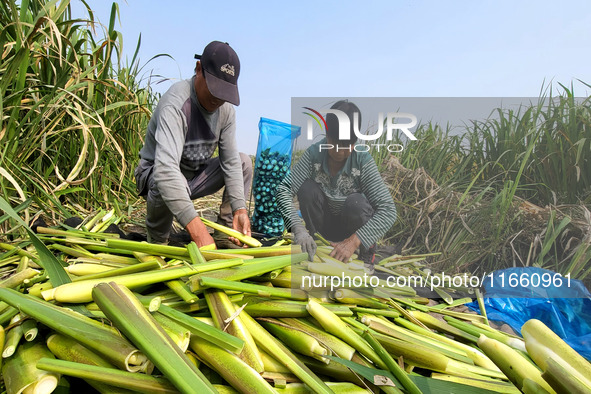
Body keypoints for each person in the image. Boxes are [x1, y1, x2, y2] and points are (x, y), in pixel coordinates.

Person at [134, 41, 252, 248]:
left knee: (243, 162)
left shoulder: (226, 112)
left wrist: (240, 209)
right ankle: (158, 240)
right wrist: (198, 232)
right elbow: (165, 171)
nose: (218, 99)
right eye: (215, 89)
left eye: (224, 93)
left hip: (193, 178)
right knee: (168, 177)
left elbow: (231, 162)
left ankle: (227, 234)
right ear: (199, 69)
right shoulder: (177, 103)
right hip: (157, 176)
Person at [277, 100, 397, 271]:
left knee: (356, 203)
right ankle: (317, 244)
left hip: (351, 233)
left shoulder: (361, 160)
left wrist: (354, 241)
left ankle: (364, 255)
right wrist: (298, 229)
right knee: (307, 189)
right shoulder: (314, 155)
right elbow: (283, 190)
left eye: (347, 145)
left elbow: (388, 210)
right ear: (327, 135)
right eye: (336, 144)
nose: (341, 152)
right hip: (323, 230)